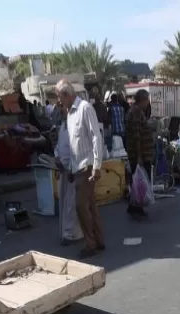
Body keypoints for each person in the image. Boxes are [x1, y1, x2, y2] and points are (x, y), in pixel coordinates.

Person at [56, 79, 105, 258]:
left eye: (59, 97)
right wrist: (70, 168)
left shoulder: (85, 108)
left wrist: (97, 166)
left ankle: (90, 243)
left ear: (67, 95)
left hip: (87, 165)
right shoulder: (69, 114)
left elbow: (96, 137)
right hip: (77, 167)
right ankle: (99, 240)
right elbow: (72, 144)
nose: (58, 101)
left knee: (80, 206)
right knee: (90, 205)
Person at [54, 106, 83, 246]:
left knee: (72, 203)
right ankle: (67, 232)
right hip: (63, 169)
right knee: (65, 202)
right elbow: (60, 147)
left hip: (73, 170)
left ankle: (73, 233)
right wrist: (57, 158)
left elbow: (76, 149)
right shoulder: (63, 126)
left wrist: (71, 168)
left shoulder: (75, 127)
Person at [125, 89, 155, 218]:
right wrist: (139, 156)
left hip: (139, 153)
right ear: (143, 100)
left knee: (137, 180)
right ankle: (136, 207)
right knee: (140, 181)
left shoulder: (136, 111)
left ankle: (135, 206)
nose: (148, 102)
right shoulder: (136, 111)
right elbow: (137, 135)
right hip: (140, 155)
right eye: (147, 99)